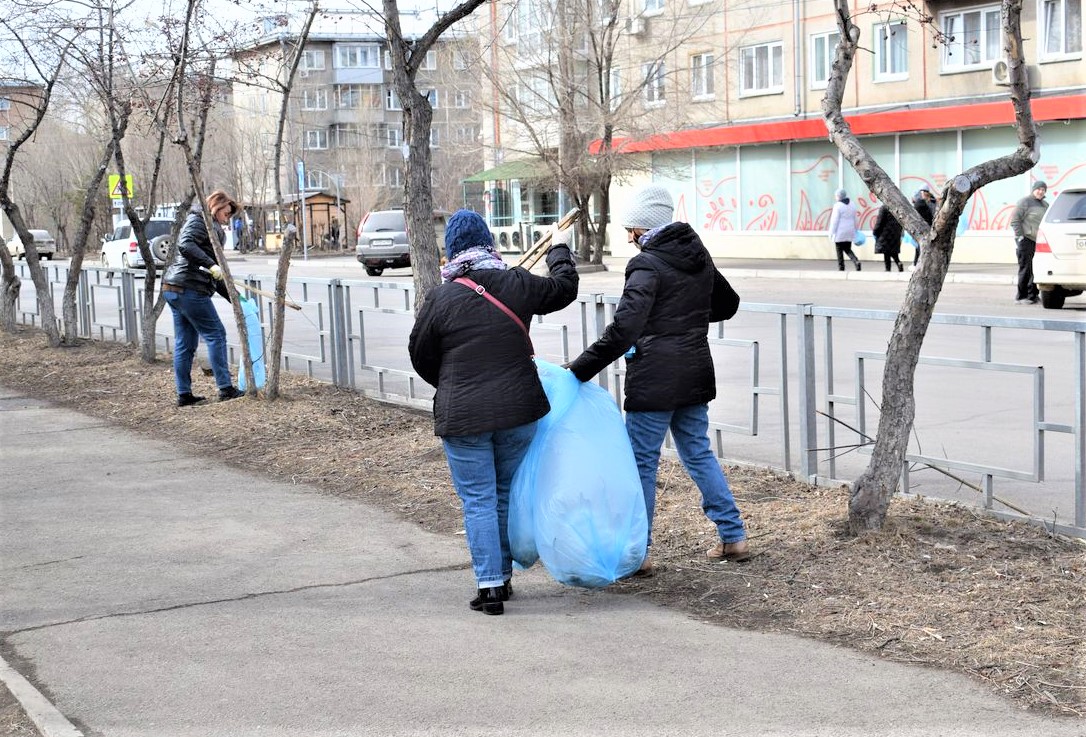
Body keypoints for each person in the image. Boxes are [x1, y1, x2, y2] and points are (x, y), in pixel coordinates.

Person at [566, 185, 749, 577]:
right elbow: (728, 304)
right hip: (695, 370)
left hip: (655, 378)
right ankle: (734, 537)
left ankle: (638, 552)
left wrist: (579, 369)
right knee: (697, 452)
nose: (627, 234)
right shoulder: (696, 254)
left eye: (629, 226)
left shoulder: (647, 264)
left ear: (640, 225)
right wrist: (685, 319)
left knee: (641, 463)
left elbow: (625, 328)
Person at [408, 209, 579, 616]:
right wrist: (557, 246)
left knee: (478, 499)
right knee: (502, 493)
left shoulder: (441, 298)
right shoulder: (515, 282)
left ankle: (490, 586)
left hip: (463, 416)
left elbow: (420, 354)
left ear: (451, 252)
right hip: (518, 410)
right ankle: (501, 575)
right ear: (490, 244)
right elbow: (564, 289)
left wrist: (450, 384)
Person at [161, 190, 244, 407]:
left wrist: (235, 299)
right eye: (226, 214)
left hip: (175, 287)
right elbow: (185, 245)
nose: (227, 219)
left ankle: (184, 394)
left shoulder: (209, 226)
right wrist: (211, 264)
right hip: (189, 288)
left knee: (185, 343)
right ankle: (225, 388)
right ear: (216, 208)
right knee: (216, 333)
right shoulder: (199, 221)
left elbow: (215, 275)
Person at [1009, 180, 1049, 304]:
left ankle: (1033, 295)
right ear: (1033, 189)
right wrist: (1019, 236)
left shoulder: (1045, 205)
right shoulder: (1024, 202)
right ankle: (1021, 296)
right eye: (1039, 189)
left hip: (1039, 241)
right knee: (1026, 268)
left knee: (1036, 269)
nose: (1041, 191)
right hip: (1026, 239)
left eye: (1043, 190)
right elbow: (1015, 220)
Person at [828, 188, 861, 271]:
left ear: (839, 196)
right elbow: (855, 218)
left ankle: (841, 267)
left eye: (836, 196)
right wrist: (856, 229)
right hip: (850, 231)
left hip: (840, 232)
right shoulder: (852, 204)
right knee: (847, 249)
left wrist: (831, 232)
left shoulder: (837, 206)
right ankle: (856, 261)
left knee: (839, 250)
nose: (835, 197)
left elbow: (834, 221)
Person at [910, 184, 937, 268]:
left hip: (925, 227)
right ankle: (917, 263)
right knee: (920, 246)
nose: (922, 193)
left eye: (923, 192)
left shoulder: (929, 202)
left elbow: (932, 214)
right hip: (925, 227)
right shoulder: (926, 201)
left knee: (921, 246)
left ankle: (917, 264)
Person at [872, 203, 904, 272]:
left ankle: (888, 269)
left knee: (886, 252)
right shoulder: (897, 207)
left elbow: (879, 222)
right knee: (893, 251)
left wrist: (875, 231)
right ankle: (898, 263)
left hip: (885, 234)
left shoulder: (884, 208)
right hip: (896, 233)